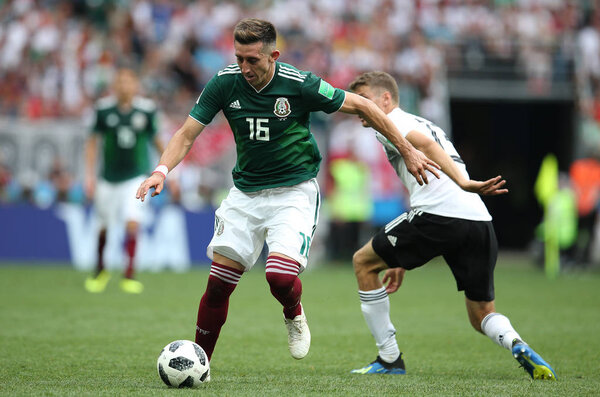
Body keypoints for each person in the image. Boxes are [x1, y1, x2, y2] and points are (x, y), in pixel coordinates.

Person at [136, 18, 440, 363]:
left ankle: (294, 311)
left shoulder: (299, 84)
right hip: (245, 194)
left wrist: (408, 149)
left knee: (279, 277)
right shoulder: (224, 83)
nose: (244, 67)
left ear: (273, 55)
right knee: (218, 285)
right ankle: (199, 364)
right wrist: (161, 170)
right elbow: (187, 133)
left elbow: (365, 105)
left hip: (293, 193)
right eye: (239, 58)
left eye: (252, 60)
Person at [348, 71, 557, 380]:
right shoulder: (420, 120)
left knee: (363, 263)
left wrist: (463, 181)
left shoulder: (392, 122)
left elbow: (425, 147)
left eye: (363, 101)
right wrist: (399, 259)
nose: (358, 109)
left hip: (439, 215)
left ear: (386, 99)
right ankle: (516, 342)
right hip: (478, 220)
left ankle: (389, 359)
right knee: (481, 314)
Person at [84, 68, 165, 294]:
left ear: (135, 85)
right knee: (103, 227)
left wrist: (167, 170)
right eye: (120, 82)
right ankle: (100, 270)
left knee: (132, 221)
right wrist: (89, 176)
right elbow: (92, 143)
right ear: (114, 85)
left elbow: (157, 140)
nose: (124, 86)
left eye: (128, 82)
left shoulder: (146, 110)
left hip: (136, 176)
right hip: (107, 178)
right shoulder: (103, 109)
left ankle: (129, 274)